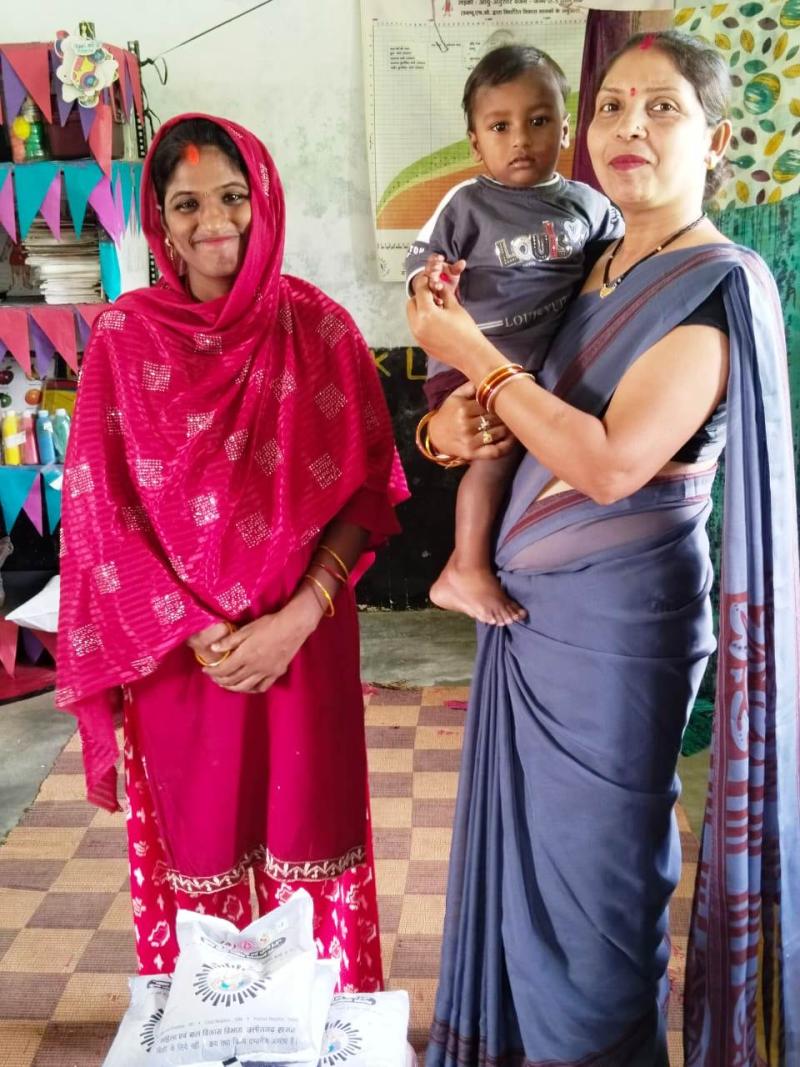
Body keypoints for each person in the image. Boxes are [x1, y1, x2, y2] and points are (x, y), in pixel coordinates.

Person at [408, 31, 800, 1066]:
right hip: (525, 622)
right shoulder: (587, 263)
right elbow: (497, 414)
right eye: (612, 105)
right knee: (528, 859)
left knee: (598, 884)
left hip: (618, 629)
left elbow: (610, 462)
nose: (628, 125)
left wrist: (472, 357)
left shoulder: (709, 286)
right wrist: (442, 428)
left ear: (714, 139)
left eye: (662, 107)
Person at [56, 114, 407, 988]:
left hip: (304, 641)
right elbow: (99, 511)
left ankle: (321, 1017)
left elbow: (368, 489)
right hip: (181, 656)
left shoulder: (322, 330)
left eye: (232, 196)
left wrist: (297, 618)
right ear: (161, 222)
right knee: (204, 839)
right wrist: (194, 628)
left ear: (265, 200)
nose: (214, 221)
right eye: (187, 204)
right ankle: (217, 1024)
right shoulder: (124, 340)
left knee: (311, 829)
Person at [406, 45, 621, 626]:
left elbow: (621, 263)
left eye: (539, 120)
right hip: (471, 364)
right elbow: (421, 268)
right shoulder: (467, 205)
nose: (521, 139)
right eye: (500, 127)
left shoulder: (589, 206)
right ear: (476, 143)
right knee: (495, 460)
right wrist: (433, 281)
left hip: (543, 371)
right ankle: (463, 568)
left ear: (566, 129)